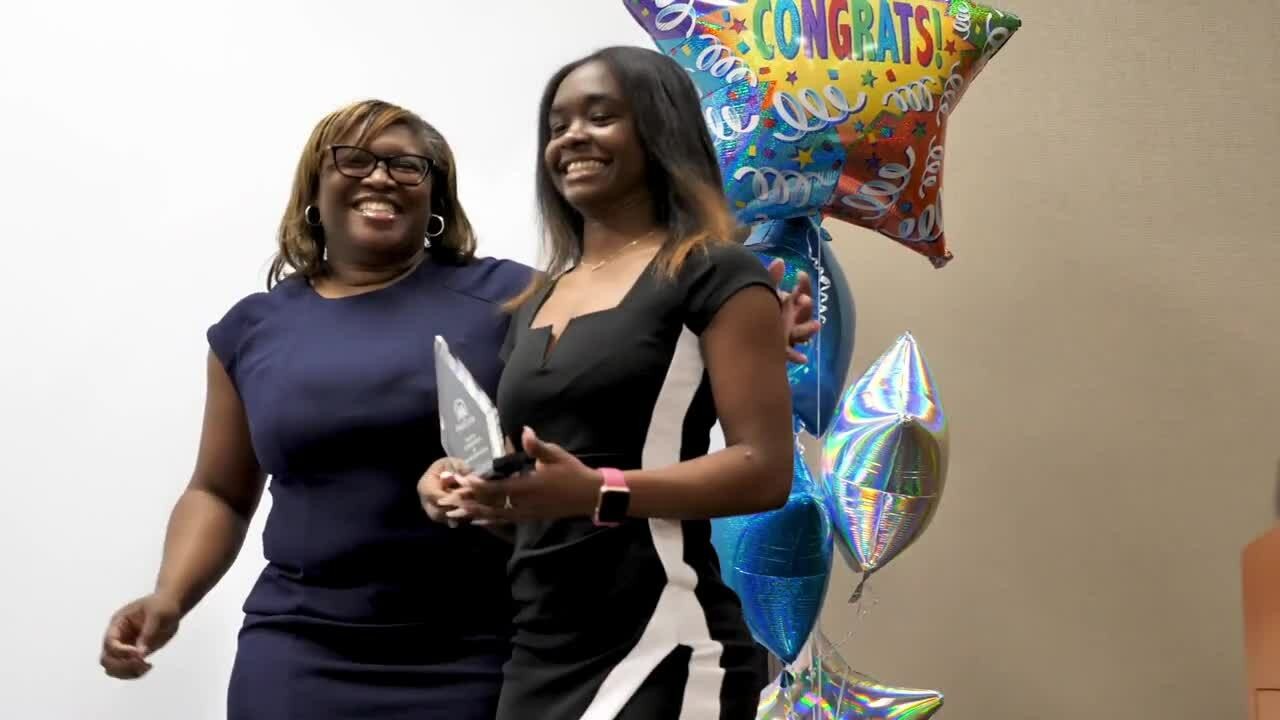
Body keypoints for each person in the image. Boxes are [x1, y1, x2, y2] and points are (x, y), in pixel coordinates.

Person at [97, 98, 818, 719]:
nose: (381, 176)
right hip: (298, 649)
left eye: (409, 166)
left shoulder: (512, 298)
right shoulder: (253, 329)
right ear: (314, 189)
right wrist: (170, 598)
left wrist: (743, 333)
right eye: (355, 159)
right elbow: (219, 491)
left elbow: (635, 358)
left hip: (480, 649)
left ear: (435, 201)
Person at [420, 46, 801, 719]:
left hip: (665, 639)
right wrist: (473, 490)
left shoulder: (715, 273)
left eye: (600, 117)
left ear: (658, 129)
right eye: (557, 124)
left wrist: (600, 491)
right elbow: (540, 493)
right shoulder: (533, 302)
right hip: (541, 648)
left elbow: (764, 470)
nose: (572, 138)